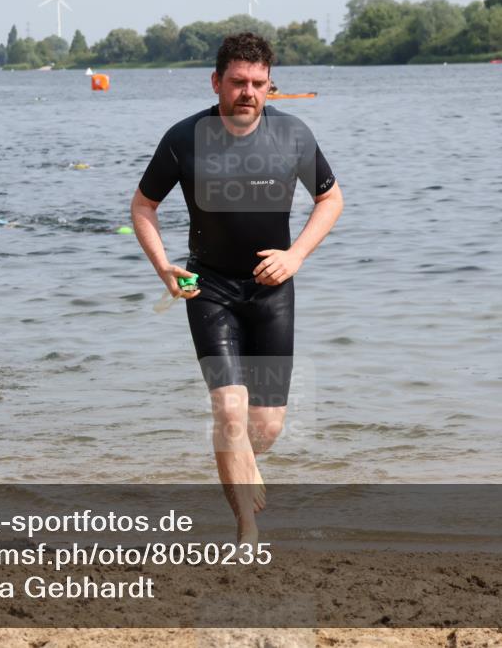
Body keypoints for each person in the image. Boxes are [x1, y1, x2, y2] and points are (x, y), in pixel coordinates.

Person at [131, 33, 343, 545]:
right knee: (229, 409)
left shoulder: (293, 134)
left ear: (270, 86)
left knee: (265, 429)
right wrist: (163, 267)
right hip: (209, 288)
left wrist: (295, 256)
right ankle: (247, 528)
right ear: (216, 82)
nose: (248, 92)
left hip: (273, 291)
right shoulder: (185, 138)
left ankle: (242, 457)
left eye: (258, 83)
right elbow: (143, 207)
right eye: (237, 82)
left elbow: (331, 199)